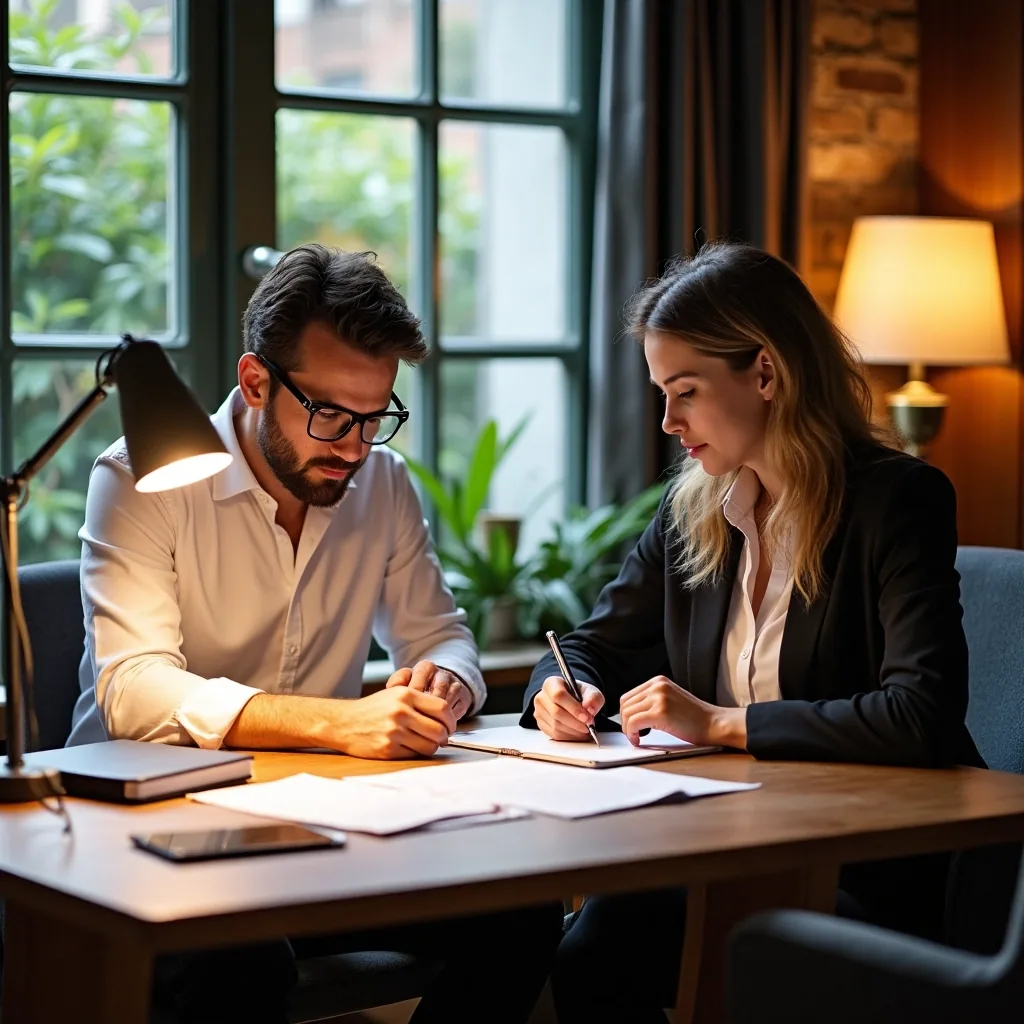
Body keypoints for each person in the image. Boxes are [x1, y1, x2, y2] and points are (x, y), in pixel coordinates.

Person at [70, 243, 563, 1023]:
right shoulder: (139, 476)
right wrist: (340, 721)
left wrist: (443, 679)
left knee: (522, 912)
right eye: (330, 413)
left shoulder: (383, 484)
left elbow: (440, 633)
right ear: (256, 382)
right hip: (151, 834)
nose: (356, 447)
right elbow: (133, 691)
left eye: (376, 417)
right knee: (236, 954)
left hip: (321, 831)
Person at [521, 240, 984, 1024]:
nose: (669, 422)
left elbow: (921, 712)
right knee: (593, 951)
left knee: (670, 945)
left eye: (686, 392)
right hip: (729, 840)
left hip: (868, 862)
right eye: (662, 394)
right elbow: (594, 641)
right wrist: (558, 691)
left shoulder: (897, 501)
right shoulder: (692, 511)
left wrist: (721, 724)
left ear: (765, 373)